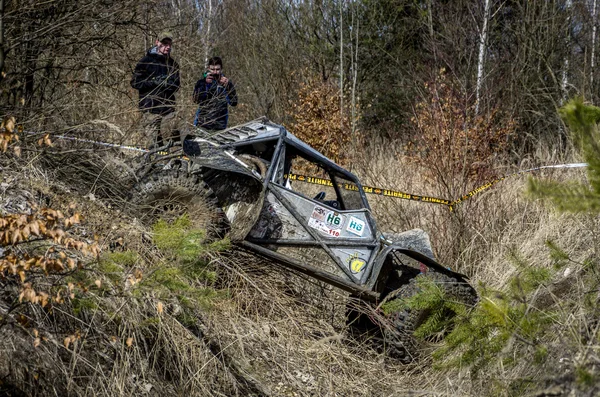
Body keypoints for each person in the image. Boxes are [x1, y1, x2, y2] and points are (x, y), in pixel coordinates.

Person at [131, 32, 180, 148]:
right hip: (150, 109)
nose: (167, 47)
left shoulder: (173, 64)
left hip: (168, 110)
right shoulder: (145, 61)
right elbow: (135, 82)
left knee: (173, 142)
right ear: (157, 42)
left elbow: (177, 85)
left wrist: (167, 84)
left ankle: (173, 164)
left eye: (169, 44)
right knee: (153, 145)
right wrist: (153, 82)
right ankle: (152, 164)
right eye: (164, 43)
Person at [193, 56, 238, 131]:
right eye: (212, 69)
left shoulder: (226, 83)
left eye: (217, 69)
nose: (215, 72)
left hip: (220, 126)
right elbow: (196, 99)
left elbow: (234, 102)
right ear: (208, 68)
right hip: (202, 125)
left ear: (221, 69)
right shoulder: (202, 82)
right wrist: (206, 84)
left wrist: (228, 87)